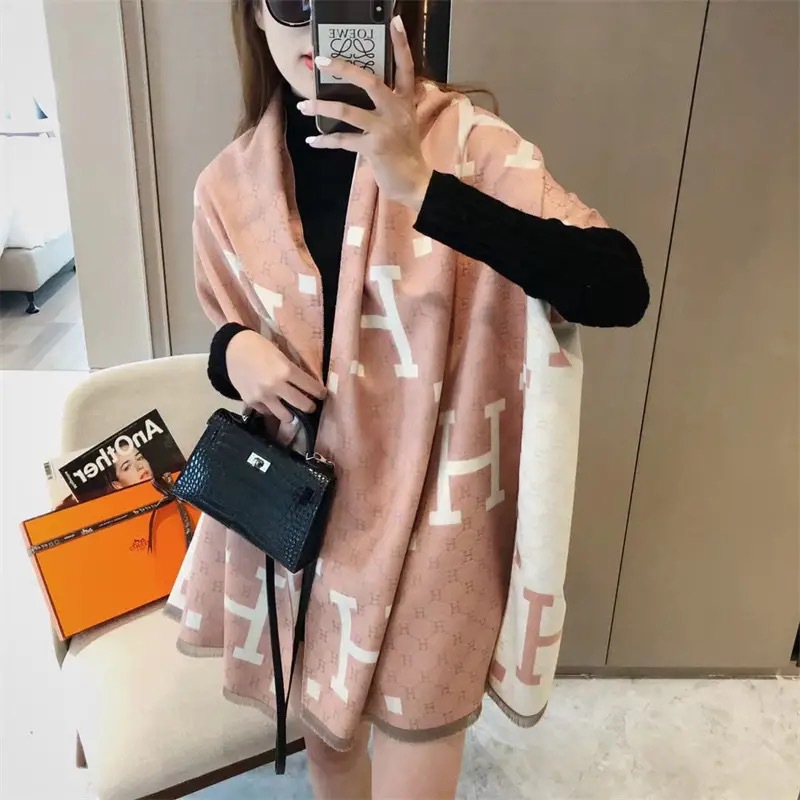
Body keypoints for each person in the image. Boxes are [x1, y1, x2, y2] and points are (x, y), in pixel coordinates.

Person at [176, 2, 650, 799]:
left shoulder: (464, 144)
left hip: (440, 531)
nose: (314, 25)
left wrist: (428, 190)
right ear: (254, 15)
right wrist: (231, 352)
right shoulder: (230, 186)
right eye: (289, 1)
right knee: (331, 757)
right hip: (305, 525)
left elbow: (617, 284)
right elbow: (237, 330)